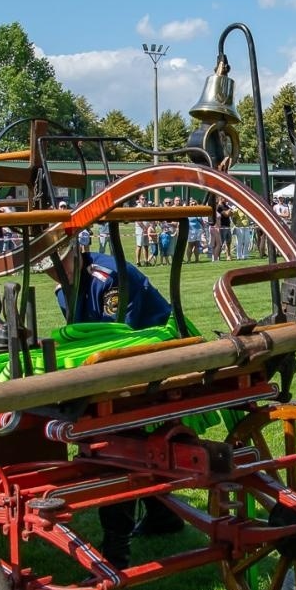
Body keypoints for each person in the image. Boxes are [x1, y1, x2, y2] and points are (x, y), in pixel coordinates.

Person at [41, 232, 183, 564]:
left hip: (151, 356)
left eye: (58, 262)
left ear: (75, 251)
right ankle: (162, 513)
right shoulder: (65, 288)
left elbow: (120, 338)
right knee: (116, 437)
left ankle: (116, 550)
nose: (52, 271)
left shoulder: (109, 276)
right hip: (116, 364)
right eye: (46, 267)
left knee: (112, 444)